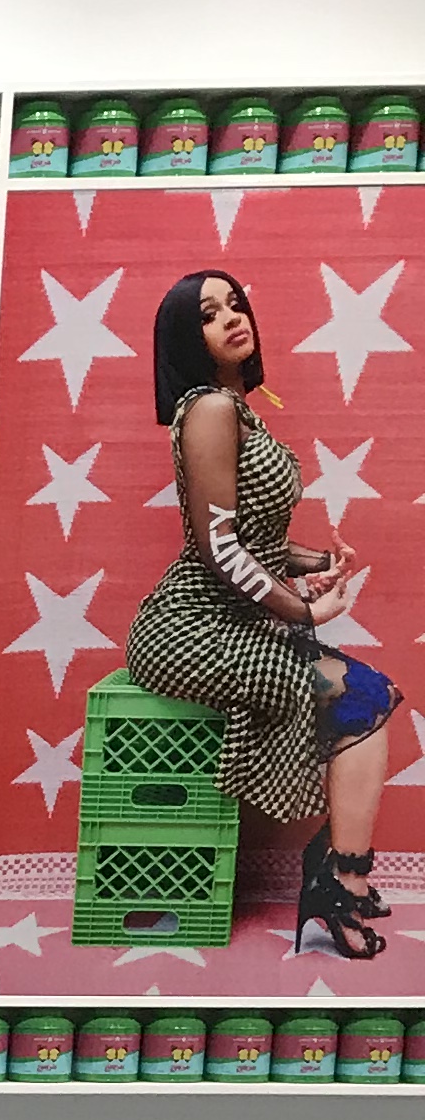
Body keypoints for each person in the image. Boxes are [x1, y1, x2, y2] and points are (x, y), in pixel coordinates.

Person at [122, 273, 399, 956]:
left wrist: (316, 561)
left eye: (236, 303)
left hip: (230, 619)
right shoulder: (211, 409)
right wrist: (303, 609)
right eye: (208, 314)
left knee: (370, 697)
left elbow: (253, 540)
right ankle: (340, 882)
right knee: (363, 698)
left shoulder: (236, 408)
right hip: (189, 630)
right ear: (188, 339)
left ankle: (340, 874)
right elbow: (218, 548)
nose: (231, 318)